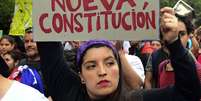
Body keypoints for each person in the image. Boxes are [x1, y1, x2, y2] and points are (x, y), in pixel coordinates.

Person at [37, 7, 200, 101]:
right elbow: (48, 48)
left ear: (119, 67)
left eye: (109, 63)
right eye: (91, 66)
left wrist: (174, 44)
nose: (102, 72)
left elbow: (188, 93)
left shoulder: (136, 99)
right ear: (81, 75)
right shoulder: (69, 93)